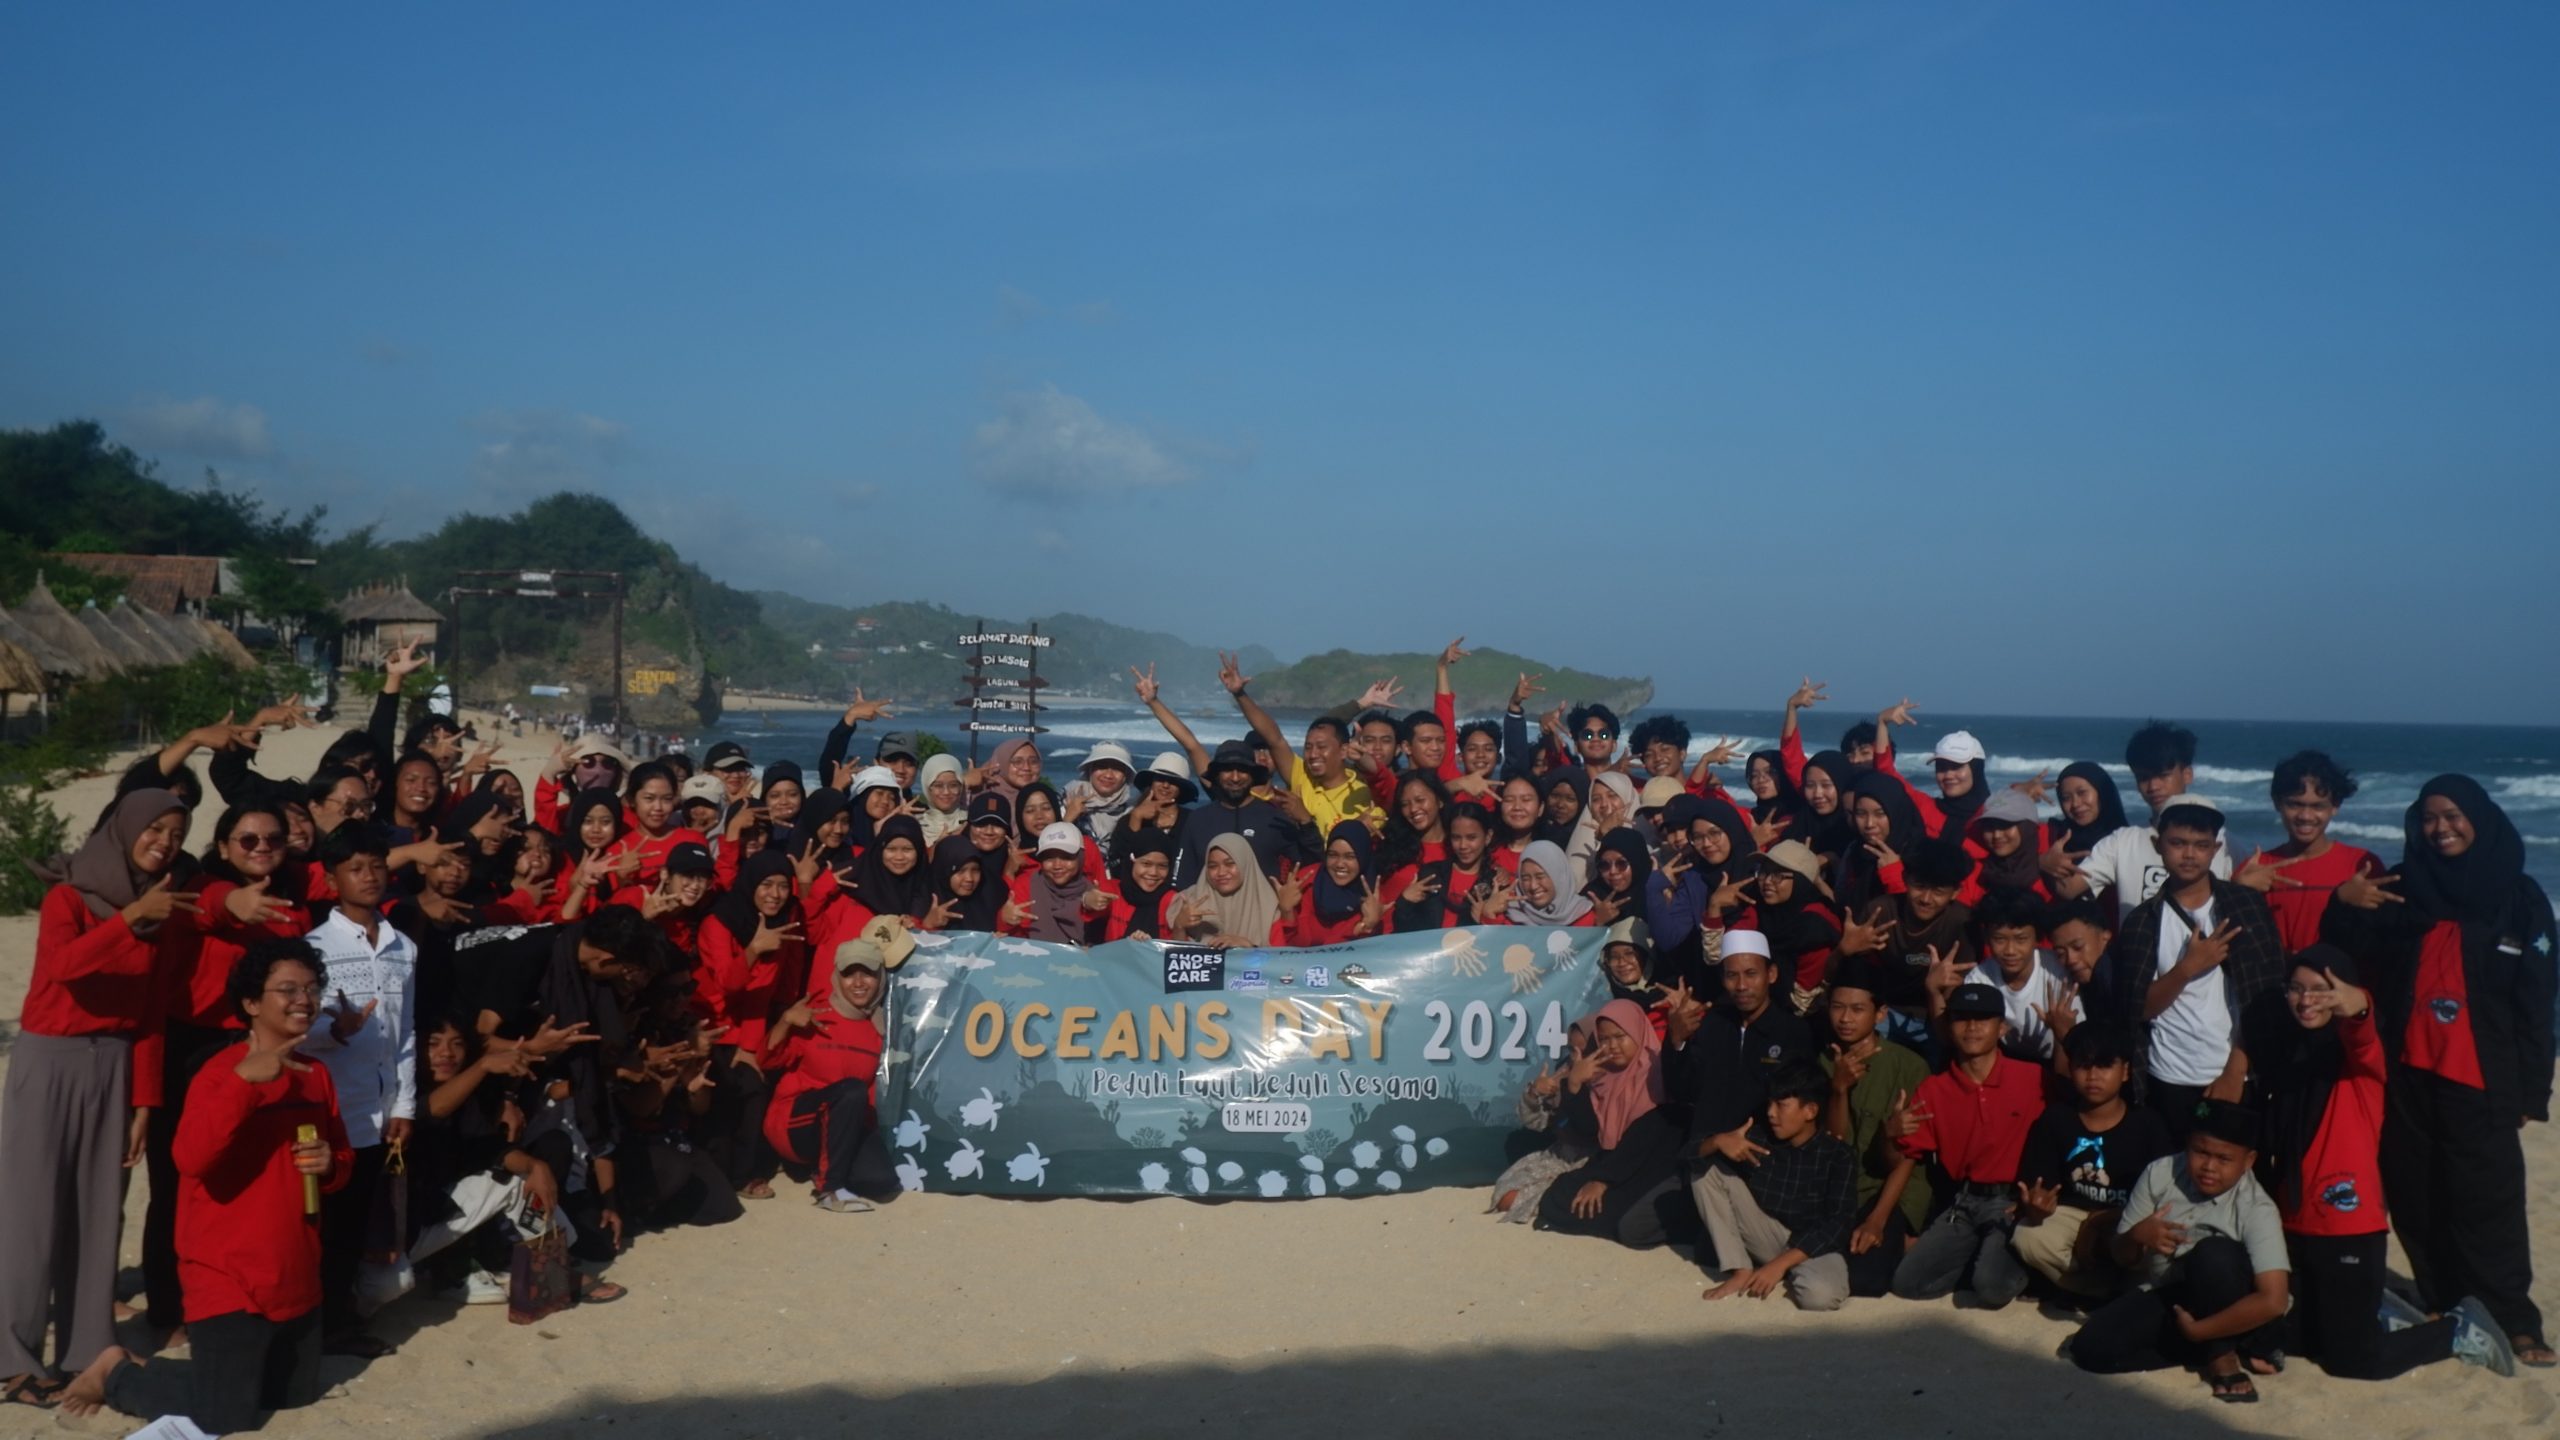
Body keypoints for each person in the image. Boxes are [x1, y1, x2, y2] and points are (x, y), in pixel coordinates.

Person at [56, 938, 355, 1430]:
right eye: (287, 989)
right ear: (252, 1003)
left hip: (296, 1274)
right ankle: (116, 1373)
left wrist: (330, 1164)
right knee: (226, 1414)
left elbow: (341, 1159)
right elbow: (190, 1159)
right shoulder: (218, 1074)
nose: (304, 999)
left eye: (311, 987)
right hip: (229, 1277)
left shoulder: (316, 1076)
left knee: (294, 1396)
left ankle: (213, 1374)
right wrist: (245, 1083)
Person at [2323, 775, 2556, 1368]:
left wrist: (2534, 1087)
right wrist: (2341, 904)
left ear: (2479, 816)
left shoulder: (2520, 897)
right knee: (2416, 1194)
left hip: (2482, 1077)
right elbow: (2348, 955)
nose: (2440, 827)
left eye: (2452, 815)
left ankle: (2513, 1317)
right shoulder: (2401, 889)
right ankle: (2446, 1298)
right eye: (2429, 818)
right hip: (2405, 1073)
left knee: (2488, 1201)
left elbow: (2537, 1000)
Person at [0, 790, 196, 1405]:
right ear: (124, 829)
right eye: (154, 828)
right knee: (31, 1215)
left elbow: (151, 1020)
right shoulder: (67, 898)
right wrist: (129, 917)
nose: (163, 840)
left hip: (113, 1066)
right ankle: (13, 1361)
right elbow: (62, 968)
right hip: (49, 1060)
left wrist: (144, 1104)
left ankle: (89, 1348)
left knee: (98, 1212)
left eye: (175, 831)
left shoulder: (159, 915)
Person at [2233, 947, 2509, 1378]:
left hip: (2347, 1227)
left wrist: (2357, 1006)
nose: (2307, 1000)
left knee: (2353, 1361)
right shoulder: (2288, 1060)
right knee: (2302, 1343)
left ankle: (2457, 1328)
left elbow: (2362, 1035)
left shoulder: (2360, 1062)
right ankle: (2379, 1311)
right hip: (2294, 1225)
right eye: (2297, 989)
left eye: (2321, 991)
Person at [2066, 1101, 2291, 1404]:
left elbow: (2273, 1300)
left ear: (2248, 1161)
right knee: (2090, 1350)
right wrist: (2137, 1235)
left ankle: (2221, 1352)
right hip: (2170, 1290)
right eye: (2201, 1152)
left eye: (2224, 1159)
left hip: (2229, 1295)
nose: (2209, 1167)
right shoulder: (2159, 1174)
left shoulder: (2256, 1207)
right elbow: (2122, 1256)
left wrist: (2202, 1331)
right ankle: (2208, 1347)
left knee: (2214, 1254)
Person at [297, 822, 415, 1358]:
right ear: (332, 879)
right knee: (325, 1221)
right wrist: (334, 1031)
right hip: (332, 1108)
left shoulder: (402, 948)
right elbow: (296, 1030)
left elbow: (405, 1031)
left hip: (380, 1109)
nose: (369, 878)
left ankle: (339, 1324)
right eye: (356, 869)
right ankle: (318, 1326)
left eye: (377, 866)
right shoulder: (312, 949)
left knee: (358, 1222)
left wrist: (405, 1104)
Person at [2104, 799, 2282, 1134]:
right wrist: (2188, 968)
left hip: (2236, 1072)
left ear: (2216, 849)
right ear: (2158, 845)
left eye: (2201, 845)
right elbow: (2137, 1009)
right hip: (2166, 1073)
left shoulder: (2246, 906)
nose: (2189, 854)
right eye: (2178, 843)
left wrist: (2236, 1069)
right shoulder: (2142, 922)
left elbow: (2266, 996)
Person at [1892, 982, 2046, 1307]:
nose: (1972, 1027)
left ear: (2001, 1027)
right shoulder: (1934, 1088)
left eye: (1983, 1019)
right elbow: (1905, 1156)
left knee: (1990, 1289)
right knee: (1908, 1283)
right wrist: (1890, 1133)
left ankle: (2008, 1264)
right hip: (1964, 1201)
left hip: (2013, 1203)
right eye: (1962, 1018)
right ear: (1948, 1027)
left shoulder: (2033, 1077)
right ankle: (1978, 1256)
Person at [2010, 1024, 2174, 1299]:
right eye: (2083, 1066)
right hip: (2073, 1217)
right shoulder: (2056, 1119)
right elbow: (2041, 1189)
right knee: (2027, 1236)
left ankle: (2116, 1288)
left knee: (2160, 1243)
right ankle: (2098, 1290)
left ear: (2125, 1072)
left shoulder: (2149, 1124)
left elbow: (2165, 1198)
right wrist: (2036, 1207)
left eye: (2105, 1066)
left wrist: (2113, 1224)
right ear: (2070, 1069)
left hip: (2127, 1219)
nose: (2093, 1076)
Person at [1694, 1060, 1858, 1310]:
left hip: (1811, 1247)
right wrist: (1717, 1141)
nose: (1771, 1112)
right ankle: (1740, 1270)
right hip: (1766, 1234)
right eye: (1770, 1103)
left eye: (1781, 1105)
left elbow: (1839, 1223)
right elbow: (1687, 1156)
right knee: (1705, 1171)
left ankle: (1782, 1270)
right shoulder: (1759, 1138)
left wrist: (1780, 1265)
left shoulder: (1837, 1155)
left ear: (1810, 1111)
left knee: (1821, 1297)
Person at [1664, 933, 1815, 1198]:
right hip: (1704, 1154)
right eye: (1732, 975)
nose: (1742, 985)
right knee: (1635, 1226)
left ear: (1772, 974)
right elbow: (1682, 1089)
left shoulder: (1793, 1032)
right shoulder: (1711, 1024)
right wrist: (1677, 1041)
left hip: (1759, 1162)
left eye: (1751, 974)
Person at [1818, 962, 1931, 1298]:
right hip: (1843, 1186)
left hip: (1892, 1187)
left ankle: (1914, 1242)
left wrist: (1878, 1220)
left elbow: (1909, 1157)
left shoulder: (1910, 1066)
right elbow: (1834, 1142)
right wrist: (1838, 1089)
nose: (1845, 1019)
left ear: (1880, 1014)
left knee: (1867, 1281)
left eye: (1857, 1009)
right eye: (1838, 1008)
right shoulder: (1824, 1061)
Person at [1533, 999, 1684, 1246]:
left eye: (1619, 1037)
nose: (1612, 1046)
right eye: (1604, 1039)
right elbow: (1588, 1129)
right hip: (1613, 1162)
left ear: (1638, 1032)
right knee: (1558, 1193)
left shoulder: (1658, 1073)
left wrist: (1603, 1180)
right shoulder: (1605, 1078)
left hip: (1652, 1166)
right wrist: (1574, 1085)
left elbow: (1646, 1138)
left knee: (1620, 1215)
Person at [2048, 721, 2232, 922]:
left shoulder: (2223, 844)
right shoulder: (2122, 842)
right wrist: (2044, 863)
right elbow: (2068, 889)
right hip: (2139, 952)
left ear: (2187, 774)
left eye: (2163, 776)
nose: (2153, 786)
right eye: (2143, 777)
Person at [763, 939, 898, 1213]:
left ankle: (819, 1165)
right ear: (838, 976)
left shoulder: (878, 1026)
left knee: (881, 1182)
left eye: (868, 973)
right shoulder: (815, 1013)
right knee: (850, 1091)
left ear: (880, 977)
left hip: (842, 1121)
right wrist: (785, 1021)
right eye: (849, 974)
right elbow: (768, 1060)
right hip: (794, 1122)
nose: (858, 982)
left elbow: (870, 1093)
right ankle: (829, 1189)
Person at [2235, 750, 2379, 954]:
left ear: (2335, 806)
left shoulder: (2361, 866)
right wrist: (2238, 891)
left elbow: (2380, 943)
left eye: (2318, 806)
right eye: (2295, 804)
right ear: (2277, 803)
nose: (2305, 816)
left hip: (2338, 983)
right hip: (2277, 985)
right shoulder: (2256, 869)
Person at [1223, 653, 1380, 836]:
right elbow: (1274, 738)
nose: (1313, 755)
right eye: (1307, 747)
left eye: (1322, 747)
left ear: (1343, 750)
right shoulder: (1302, 775)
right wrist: (1239, 694)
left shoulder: (1364, 790)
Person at [1956, 889, 2084, 1064]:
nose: (2010, 951)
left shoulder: (2059, 971)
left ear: (2037, 938)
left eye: (2021, 939)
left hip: (2063, 1056)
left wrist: (2062, 1033)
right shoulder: (1979, 978)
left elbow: (2076, 1051)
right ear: (1987, 938)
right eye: (2000, 939)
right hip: (2008, 1060)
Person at [1173, 834, 1288, 949]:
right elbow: (1170, 961)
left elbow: (1280, 961)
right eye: (1213, 866)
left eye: (1230, 864)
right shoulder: (1188, 901)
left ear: (1245, 864)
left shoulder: (1268, 906)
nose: (1221, 872)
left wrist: (1248, 946)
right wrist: (1179, 927)